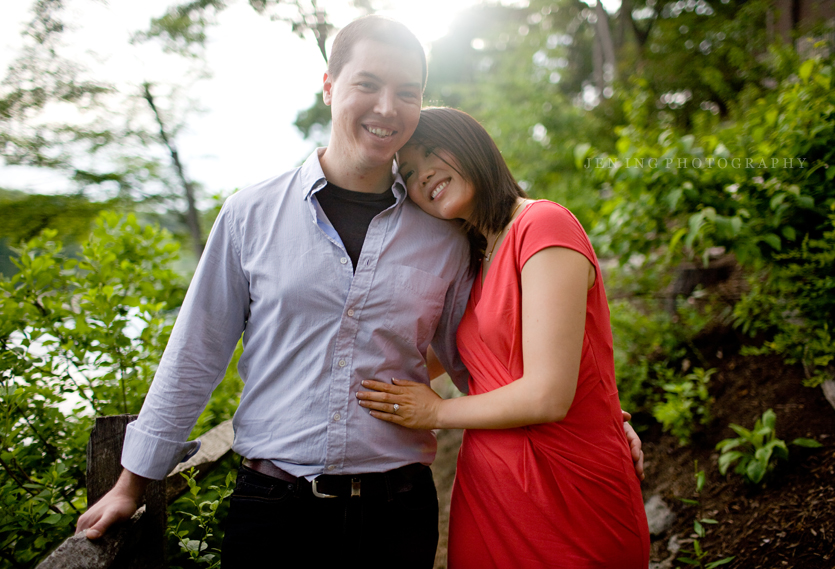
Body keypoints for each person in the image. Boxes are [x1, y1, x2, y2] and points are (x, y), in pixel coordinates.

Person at [76, 17, 643, 568]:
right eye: (367, 84)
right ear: (329, 87)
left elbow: (487, 354)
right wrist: (133, 484)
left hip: (399, 512)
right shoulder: (251, 214)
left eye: (406, 91)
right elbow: (195, 353)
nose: (386, 106)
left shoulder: (444, 232)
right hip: (273, 508)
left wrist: (604, 420)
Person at [356, 107, 650, 568]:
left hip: (569, 492)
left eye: (433, 151)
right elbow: (415, 354)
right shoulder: (473, 260)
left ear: (473, 144)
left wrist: (436, 411)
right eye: (409, 172)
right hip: (490, 497)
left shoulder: (541, 226)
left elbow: (549, 395)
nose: (424, 173)